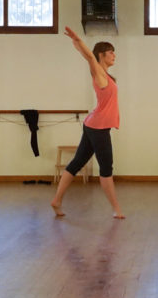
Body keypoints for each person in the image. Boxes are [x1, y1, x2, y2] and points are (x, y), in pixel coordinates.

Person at [50, 26, 125, 219]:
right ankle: (116, 209)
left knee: (77, 162)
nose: (114, 55)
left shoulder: (105, 75)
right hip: (98, 128)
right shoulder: (99, 72)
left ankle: (57, 200)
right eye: (110, 52)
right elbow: (89, 57)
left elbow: (89, 56)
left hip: (93, 124)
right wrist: (78, 41)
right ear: (101, 55)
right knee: (106, 169)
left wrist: (76, 43)